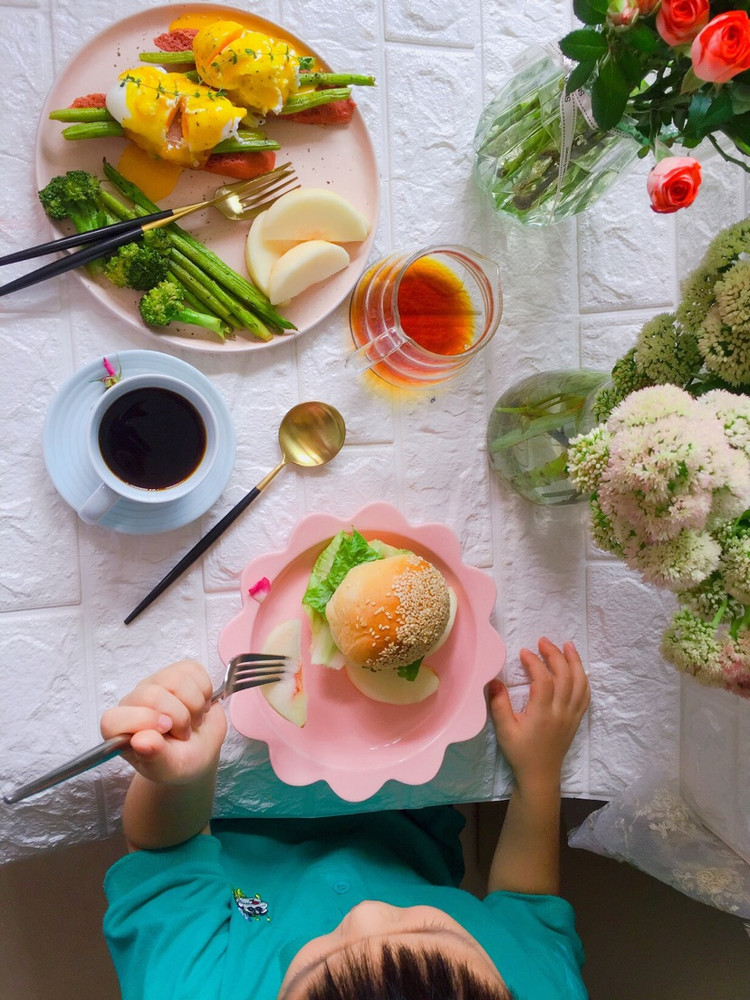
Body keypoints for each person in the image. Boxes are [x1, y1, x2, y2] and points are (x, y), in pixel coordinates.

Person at [101, 636, 591, 1000]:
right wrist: (539, 776)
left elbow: (164, 857)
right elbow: (527, 908)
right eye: (428, 930)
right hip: (408, 813)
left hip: (222, 820)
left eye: (319, 955)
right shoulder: (544, 989)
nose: (365, 913)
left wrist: (179, 779)